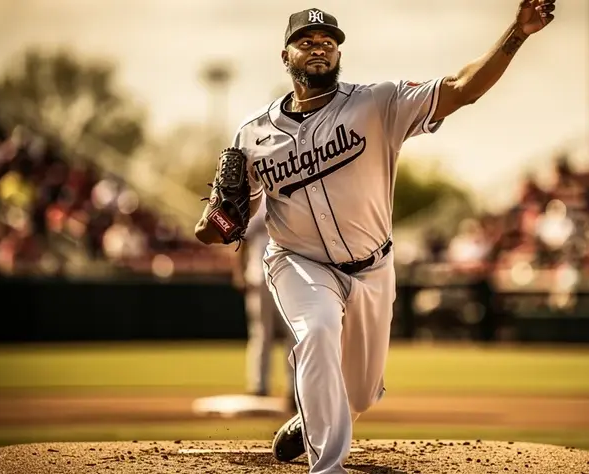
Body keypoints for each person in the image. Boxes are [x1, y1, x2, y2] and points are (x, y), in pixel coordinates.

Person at [194, 1, 557, 472]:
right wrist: (220, 220)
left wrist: (517, 33)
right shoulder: (254, 134)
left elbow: (461, 90)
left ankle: (315, 420)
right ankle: (328, 466)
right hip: (297, 263)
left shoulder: (377, 103)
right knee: (318, 331)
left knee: (361, 391)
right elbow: (215, 229)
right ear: (286, 57)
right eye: (306, 43)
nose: (318, 49)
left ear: (339, 54)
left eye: (327, 43)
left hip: (372, 267)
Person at [233, 209, 296, 413]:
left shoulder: (292, 199)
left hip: (289, 277)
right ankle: (259, 386)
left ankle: (295, 390)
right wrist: (239, 272)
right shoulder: (256, 205)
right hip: (258, 276)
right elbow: (241, 242)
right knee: (261, 333)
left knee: (294, 336)